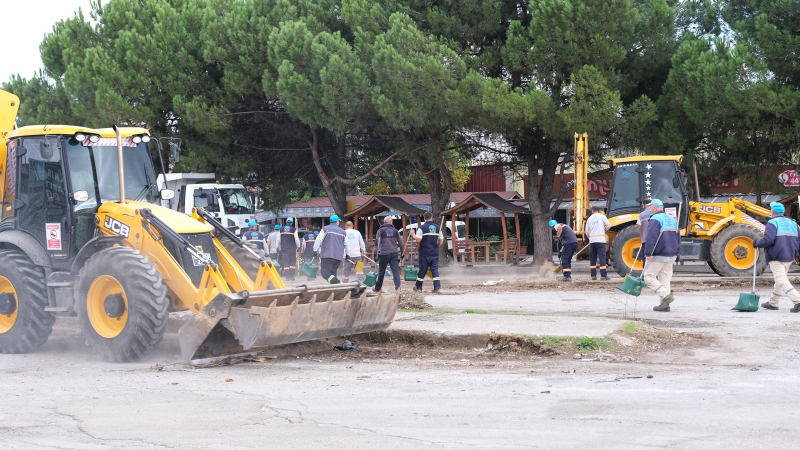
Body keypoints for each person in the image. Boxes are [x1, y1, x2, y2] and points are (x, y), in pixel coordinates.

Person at [755, 202, 800, 312]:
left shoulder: (772, 223)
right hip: (790, 255)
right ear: (783, 212)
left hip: (777, 256)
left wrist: (756, 243)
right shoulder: (793, 223)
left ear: (773, 211)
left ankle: (797, 301)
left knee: (780, 279)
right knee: (780, 279)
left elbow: (768, 240)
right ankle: (773, 303)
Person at [643, 199, 680, 312]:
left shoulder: (655, 219)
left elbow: (651, 238)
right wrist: (677, 252)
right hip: (671, 254)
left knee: (648, 277)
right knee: (665, 279)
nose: (650, 209)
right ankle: (664, 306)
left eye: (650, 207)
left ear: (654, 207)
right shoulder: (672, 219)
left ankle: (665, 296)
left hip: (659, 254)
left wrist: (648, 253)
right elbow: (678, 237)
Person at [413, 212, 444, 293]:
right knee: (434, 270)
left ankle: (418, 287)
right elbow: (441, 240)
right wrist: (437, 245)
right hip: (434, 252)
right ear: (432, 217)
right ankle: (437, 287)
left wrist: (413, 235)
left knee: (422, 270)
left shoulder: (422, 228)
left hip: (424, 253)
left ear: (424, 218)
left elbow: (418, 239)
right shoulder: (438, 228)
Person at [314, 215, 348, 284]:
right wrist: (347, 255)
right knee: (332, 274)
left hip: (327, 255)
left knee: (325, 273)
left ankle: (338, 283)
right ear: (337, 222)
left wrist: (315, 250)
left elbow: (318, 240)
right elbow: (347, 244)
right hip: (338, 257)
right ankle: (333, 289)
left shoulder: (325, 229)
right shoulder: (343, 232)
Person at [374, 216, 403, 292]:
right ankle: (398, 288)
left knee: (381, 271)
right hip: (394, 253)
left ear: (384, 222)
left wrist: (376, 254)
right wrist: (402, 253)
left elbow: (377, 243)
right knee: (395, 271)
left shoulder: (381, 230)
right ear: (391, 222)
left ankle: (377, 288)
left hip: (384, 253)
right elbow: (401, 243)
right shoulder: (395, 231)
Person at [584, 206, 611, 280]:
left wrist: (590, 237)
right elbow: (609, 225)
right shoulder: (602, 216)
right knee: (602, 258)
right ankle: (603, 276)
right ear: (598, 211)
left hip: (592, 241)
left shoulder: (589, 219)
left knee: (593, 258)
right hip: (601, 240)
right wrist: (603, 230)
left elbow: (586, 232)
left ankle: (593, 275)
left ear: (592, 211)